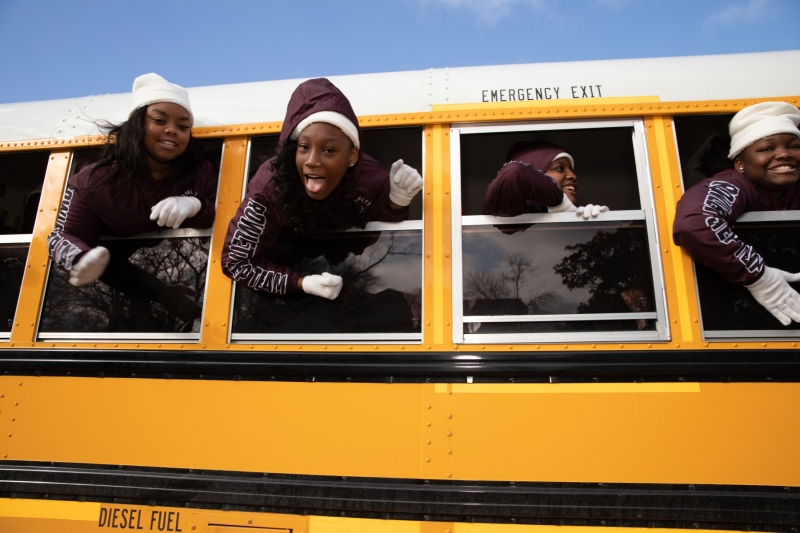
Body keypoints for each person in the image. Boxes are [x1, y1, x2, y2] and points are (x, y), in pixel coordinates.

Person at [222, 78, 423, 300]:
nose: (312, 160)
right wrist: (301, 283)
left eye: (328, 150)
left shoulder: (370, 178)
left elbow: (382, 230)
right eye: (304, 147)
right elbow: (236, 262)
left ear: (352, 156)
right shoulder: (268, 188)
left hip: (348, 271)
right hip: (279, 295)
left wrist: (398, 201)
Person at [47, 73, 218, 321]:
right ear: (137, 125)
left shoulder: (203, 170)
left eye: (183, 127)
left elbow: (229, 210)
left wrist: (195, 205)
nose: (172, 130)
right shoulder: (97, 180)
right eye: (159, 120)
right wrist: (81, 258)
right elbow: (61, 235)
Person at [673, 101, 800, 325]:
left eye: (794, 146)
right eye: (766, 148)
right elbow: (695, 224)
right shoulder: (733, 185)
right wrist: (760, 278)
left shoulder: (791, 190)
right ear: (740, 164)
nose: (784, 154)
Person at [482, 140, 607, 218]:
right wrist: (561, 204)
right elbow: (514, 174)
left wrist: (601, 224)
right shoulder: (513, 210)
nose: (573, 176)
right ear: (535, 174)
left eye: (571, 170)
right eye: (559, 168)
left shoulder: (576, 217)